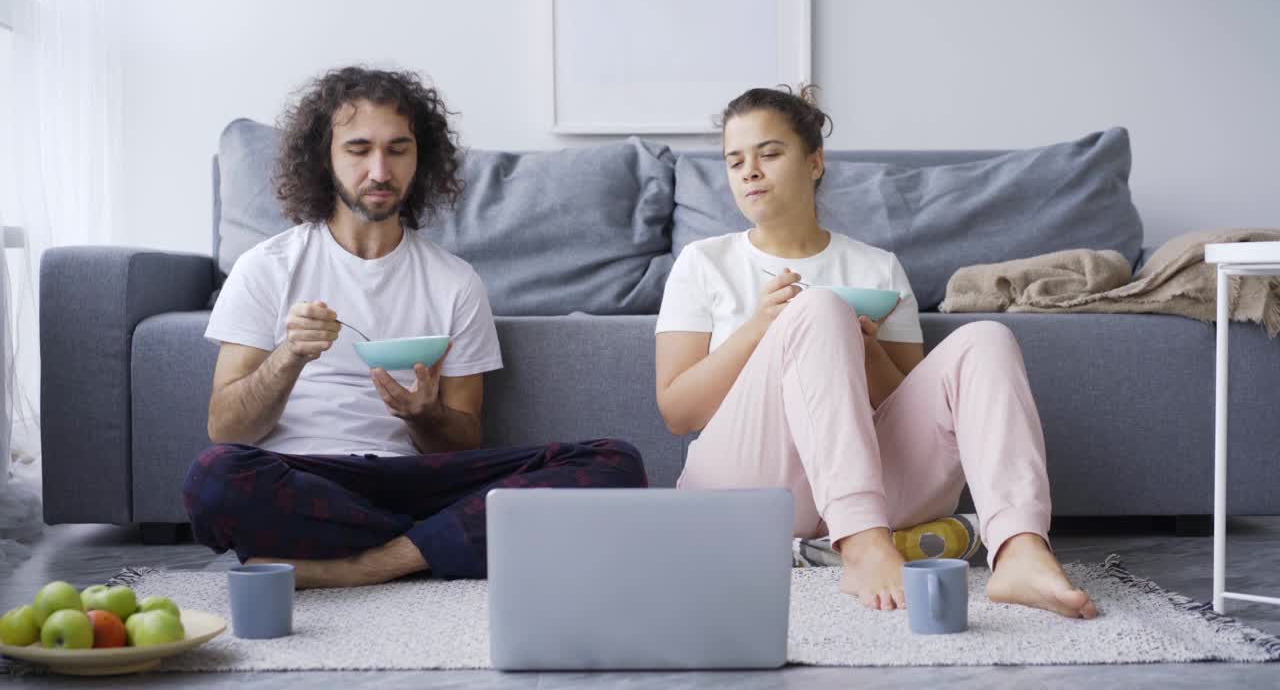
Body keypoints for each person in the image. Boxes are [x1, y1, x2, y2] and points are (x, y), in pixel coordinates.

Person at [183, 67, 646, 588]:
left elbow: (461, 443)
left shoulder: (455, 281)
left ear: (419, 158)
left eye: (398, 149)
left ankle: (370, 564)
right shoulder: (266, 266)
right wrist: (288, 355)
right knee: (214, 478)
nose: (380, 170)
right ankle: (448, 542)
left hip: (414, 480)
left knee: (615, 463)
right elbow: (227, 428)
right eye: (359, 149)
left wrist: (424, 416)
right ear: (324, 157)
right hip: (306, 477)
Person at [653, 86, 1097, 619]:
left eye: (769, 153)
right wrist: (762, 328)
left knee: (987, 339)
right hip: (751, 484)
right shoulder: (704, 262)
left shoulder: (877, 268)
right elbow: (678, 413)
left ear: (814, 162)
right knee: (816, 310)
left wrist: (866, 351)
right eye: (735, 160)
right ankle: (863, 543)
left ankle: (1020, 550)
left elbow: (920, 416)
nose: (749, 171)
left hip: (874, 480)